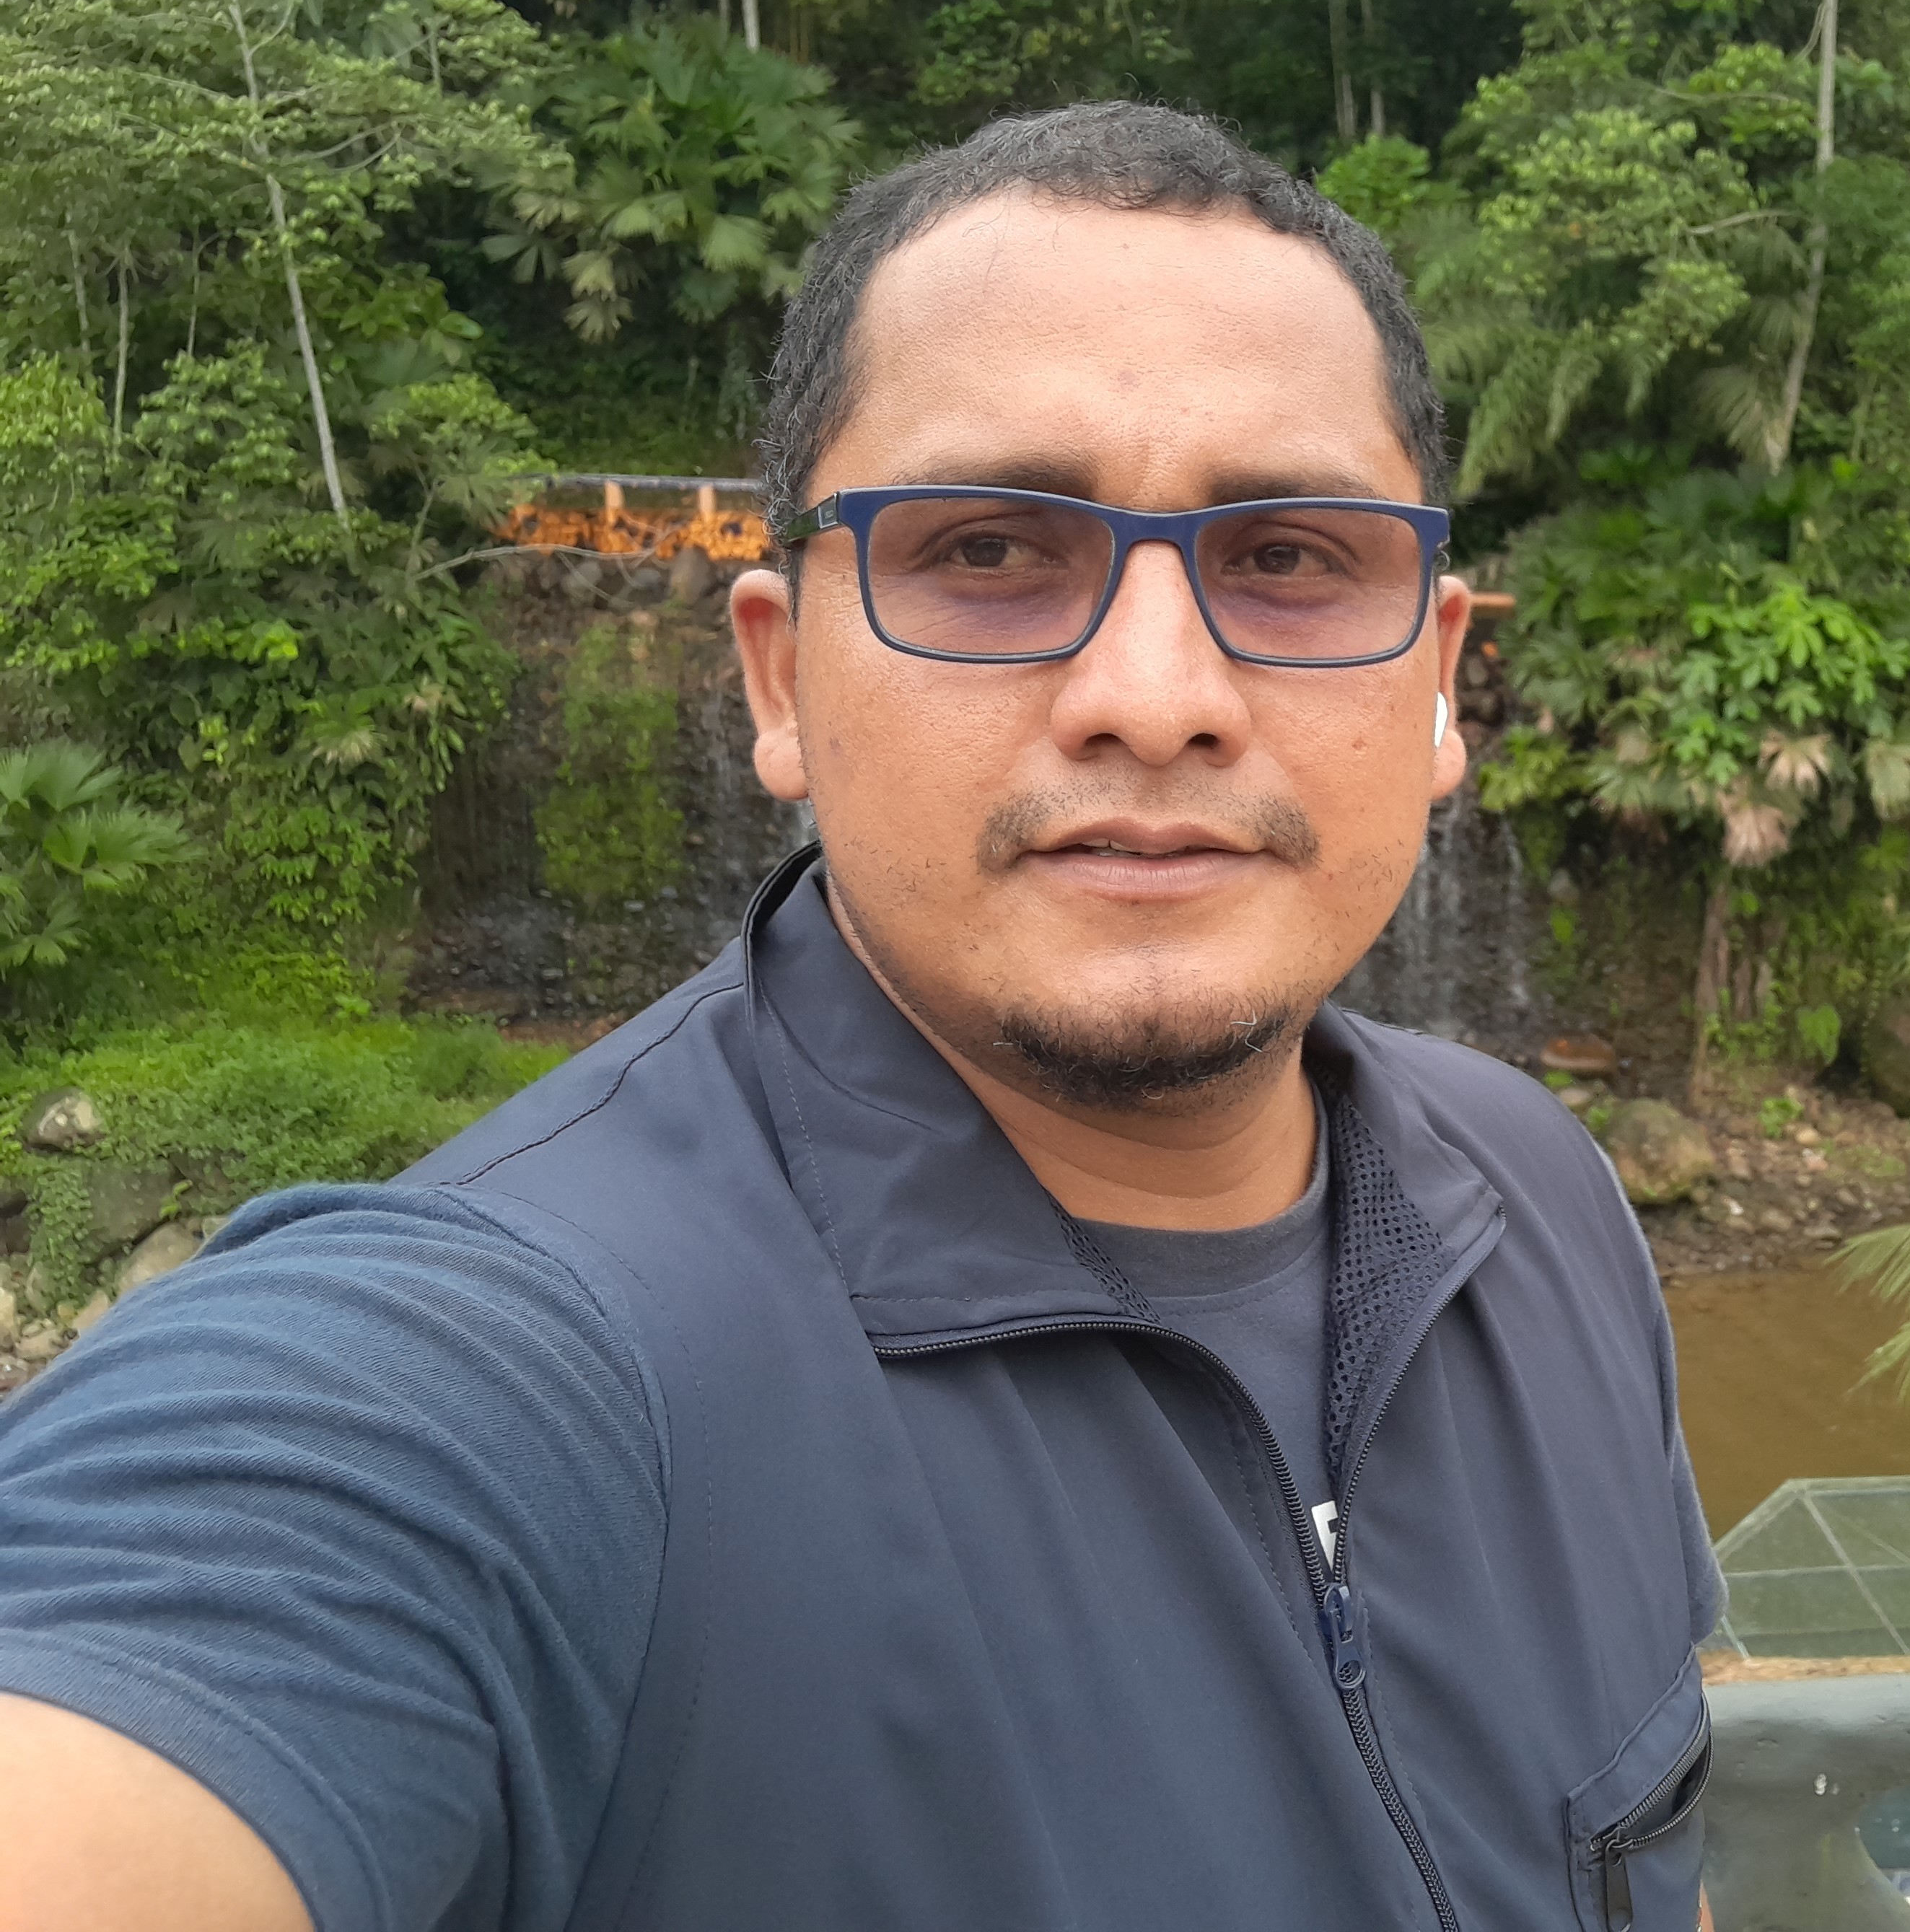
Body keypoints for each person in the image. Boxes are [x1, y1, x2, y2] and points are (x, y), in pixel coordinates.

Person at [0, 102, 1721, 1932]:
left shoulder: (1539, 1200)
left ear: (1438, 680)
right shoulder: (492, 1387)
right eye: (986, 551)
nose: (1157, 697)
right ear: (780, 680)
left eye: (1291, 556)